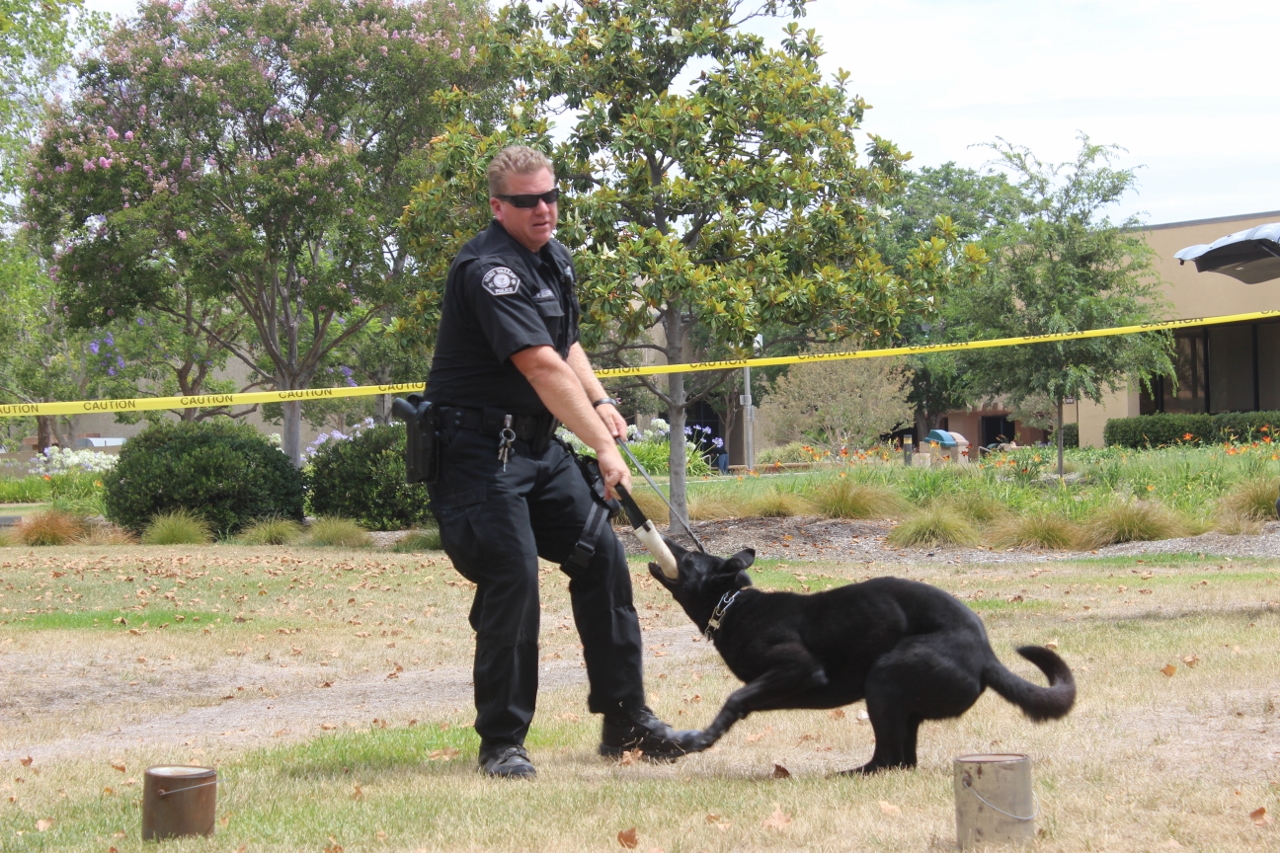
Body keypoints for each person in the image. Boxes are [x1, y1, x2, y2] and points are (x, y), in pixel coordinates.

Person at [423, 146, 694, 779]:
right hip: (477, 459)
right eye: (527, 201)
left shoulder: (554, 260)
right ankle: (502, 744)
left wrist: (599, 401)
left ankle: (627, 722)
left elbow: (564, 343)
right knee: (513, 580)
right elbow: (538, 364)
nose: (543, 209)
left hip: (538, 449)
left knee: (602, 560)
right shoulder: (487, 270)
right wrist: (602, 445)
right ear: (498, 207)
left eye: (551, 196)